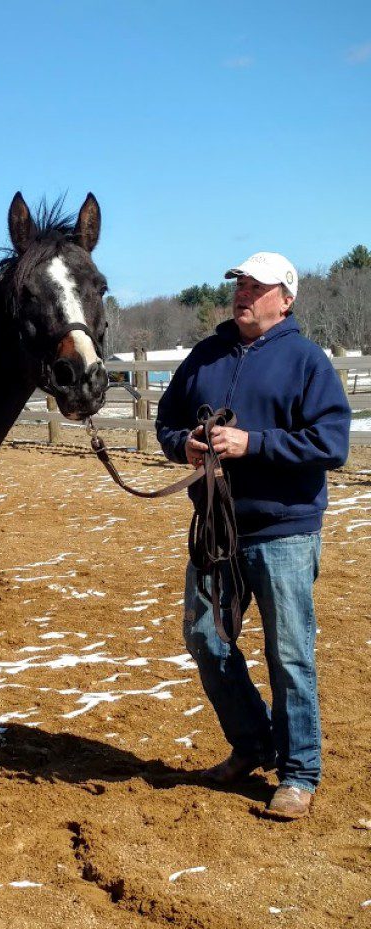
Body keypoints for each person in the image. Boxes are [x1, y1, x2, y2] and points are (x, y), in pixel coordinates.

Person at [155, 252, 351, 820]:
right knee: (205, 640)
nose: (243, 292)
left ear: (285, 299)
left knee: (289, 654)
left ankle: (299, 772)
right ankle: (253, 744)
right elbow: (167, 421)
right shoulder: (204, 356)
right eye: (239, 283)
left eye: (256, 285)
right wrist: (183, 445)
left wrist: (253, 445)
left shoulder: (308, 361)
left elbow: (331, 444)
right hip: (218, 528)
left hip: (284, 530)